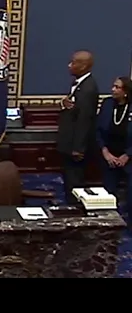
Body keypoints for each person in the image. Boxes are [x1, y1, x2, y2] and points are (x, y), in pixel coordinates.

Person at [56, 50, 100, 204]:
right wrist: (64, 103)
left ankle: (75, 210)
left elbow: (85, 119)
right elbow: (74, 108)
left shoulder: (88, 88)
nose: (69, 65)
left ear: (83, 66)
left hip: (75, 146)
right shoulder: (79, 84)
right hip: (69, 143)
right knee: (69, 180)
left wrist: (78, 148)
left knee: (74, 182)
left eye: (73, 62)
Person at [96, 76, 132, 222]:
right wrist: (105, 151)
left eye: (117, 87)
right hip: (109, 156)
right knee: (108, 195)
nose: (113, 89)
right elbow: (97, 130)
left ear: (126, 92)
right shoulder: (107, 104)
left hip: (129, 158)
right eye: (113, 86)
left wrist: (127, 155)